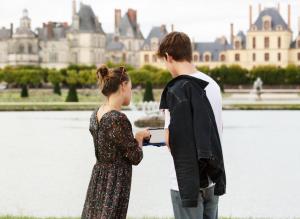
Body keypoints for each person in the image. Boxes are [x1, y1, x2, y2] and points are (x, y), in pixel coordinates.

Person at [157, 32, 226, 219]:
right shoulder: (212, 85)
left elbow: (172, 139)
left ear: (168, 57)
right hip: (211, 177)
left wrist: (150, 136)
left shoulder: (176, 89)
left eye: (165, 61)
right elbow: (218, 128)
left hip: (185, 182)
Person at [81, 65, 151, 219]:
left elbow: (112, 146)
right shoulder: (118, 118)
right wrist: (139, 138)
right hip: (114, 181)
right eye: (131, 88)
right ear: (123, 86)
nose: (131, 93)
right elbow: (135, 157)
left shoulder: (96, 113)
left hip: (99, 176)